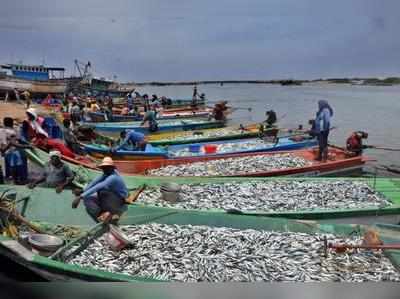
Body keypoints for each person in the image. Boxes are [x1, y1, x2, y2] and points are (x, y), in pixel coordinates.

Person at [72, 157, 128, 224]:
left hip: (119, 200)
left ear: (112, 168)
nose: (104, 169)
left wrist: (80, 196)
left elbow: (99, 186)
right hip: (111, 198)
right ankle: (102, 214)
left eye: (107, 167)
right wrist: (83, 191)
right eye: (103, 168)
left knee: (102, 191)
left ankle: (110, 214)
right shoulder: (107, 173)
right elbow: (94, 182)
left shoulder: (113, 177)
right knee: (87, 198)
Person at [0, 117, 30, 184]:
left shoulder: (2, 131)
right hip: (13, 152)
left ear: (4, 123)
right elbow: (17, 142)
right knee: (16, 168)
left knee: (8, 170)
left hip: (6, 153)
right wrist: (28, 146)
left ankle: (13, 179)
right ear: (12, 123)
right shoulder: (13, 131)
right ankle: (18, 180)